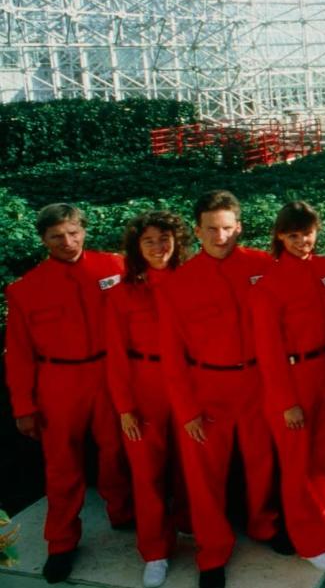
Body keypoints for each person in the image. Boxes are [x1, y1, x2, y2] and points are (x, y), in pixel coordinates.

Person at [159, 190, 285, 588]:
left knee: (262, 461)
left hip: (258, 384)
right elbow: (171, 355)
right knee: (204, 476)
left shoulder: (264, 266)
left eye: (228, 228)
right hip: (206, 388)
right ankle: (212, 549)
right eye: (211, 229)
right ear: (197, 231)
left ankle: (264, 525)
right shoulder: (178, 284)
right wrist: (186, 410)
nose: (220, 236)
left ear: (240, 227)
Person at [5, 203, 133, 584]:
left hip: (109, 375)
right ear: (43, 240)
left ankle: (123, 511)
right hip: (58, 383)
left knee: (117, 450)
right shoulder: (25, 289)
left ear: (84, 230)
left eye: (73, 232)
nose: (68, 242)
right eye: (57, 236)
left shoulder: (115, 267)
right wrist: (23, 406)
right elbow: (20, 354)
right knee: (62, 466)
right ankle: (61, 542)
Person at [249, 201, 325, 573]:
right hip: (292, 382)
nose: (302, 241)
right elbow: (268, 352)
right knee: (298, 467)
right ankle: (308, 539)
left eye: (307, 233)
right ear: (280, 236)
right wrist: (286, 402)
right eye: (293, 235)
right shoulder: (269, 286)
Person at [103, 210, 191, 588]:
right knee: (147, 472)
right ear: (137, 248)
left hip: (190, 384)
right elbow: (116, 355)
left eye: (165, 238)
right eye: (149, 241)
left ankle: (192, 529)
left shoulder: (193, 281)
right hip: (145, 385)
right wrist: (125, 407)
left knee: (193, 468)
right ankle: (155, 550)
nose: (159, 247)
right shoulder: (123, 293)